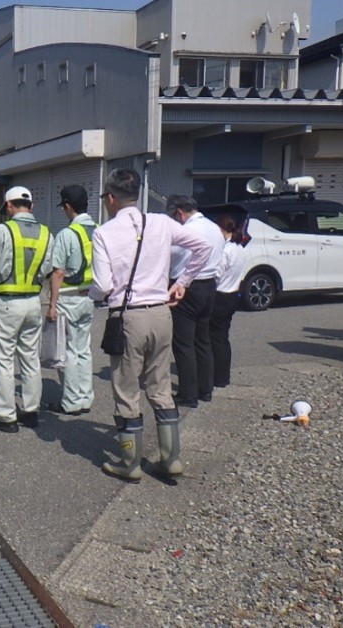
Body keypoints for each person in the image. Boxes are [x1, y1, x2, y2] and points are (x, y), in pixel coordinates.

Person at [90, 169, 211, 482]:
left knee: (127, 391)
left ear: (111, 198)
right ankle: (171, 459)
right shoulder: (160, 222)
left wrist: (93, 293)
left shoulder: (104, 233)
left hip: (127, 317)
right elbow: (204, 247)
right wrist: (182, 281)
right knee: (159, 388)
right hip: (161, 313)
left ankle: (130, 463)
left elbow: (103, 285)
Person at [0, 186, 53, 432]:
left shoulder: (3, 230)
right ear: (30, 206)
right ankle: (31, 411)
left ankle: (6, 416)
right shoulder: (46, 233)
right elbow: (48, 269)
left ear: (9, 206)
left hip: (8, 302)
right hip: (34, 301)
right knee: (31, 358)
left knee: (4, 360)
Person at [167, 195, 225, 408]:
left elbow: (171, 257)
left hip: (187, 287)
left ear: (179, 212)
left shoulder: (187, 232)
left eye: (174, 216)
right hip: (209, 286)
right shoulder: (214, 228)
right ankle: (205, 390)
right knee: (203, 340)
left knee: (183, 343)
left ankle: (188, 394)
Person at [46, 184, 97, 416]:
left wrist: (52, 304)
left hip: (68, 298)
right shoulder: (98, 229)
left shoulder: (67, 234)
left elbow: (57, 272)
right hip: (90, 296)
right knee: (84, 348)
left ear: (67, 206)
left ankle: (71, 401)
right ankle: (86, 397)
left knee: (68, 351)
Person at [209, 215, 246, 388]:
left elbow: (217, 273)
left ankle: (217, 376)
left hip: (220, 295)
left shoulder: (226, 250)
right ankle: (223, 376)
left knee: (215, 338)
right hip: (233, 294)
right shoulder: (240, 248)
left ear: (223, 230)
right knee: (223, 337)